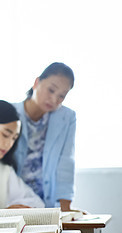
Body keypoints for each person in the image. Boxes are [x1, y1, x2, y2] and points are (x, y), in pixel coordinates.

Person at [13, 62, 76, 211]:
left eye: (61, 96)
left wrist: (65, 211)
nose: (54, 99)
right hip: (14, 201)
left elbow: (66, 162)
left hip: (48, 201)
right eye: (51, 90)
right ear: (37, 82)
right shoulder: (10, 112)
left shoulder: (67, 117)